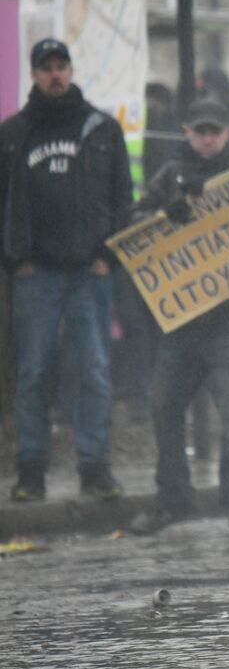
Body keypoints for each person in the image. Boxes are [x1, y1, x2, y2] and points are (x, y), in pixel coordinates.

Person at [126, 98, 229, 534]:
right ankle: (172, 500)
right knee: (163, 405)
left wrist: (208, 199)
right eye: (200, 131)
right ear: (187, 131)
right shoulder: (171, 171)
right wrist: (165, 213)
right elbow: (135, 219)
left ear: (228, 132)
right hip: (184, 318)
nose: (208, 139)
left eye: (215, 131)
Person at [0, 39, 131, 502]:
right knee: (33, 372)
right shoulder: (13, 133)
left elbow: (122, 198)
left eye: (61, 66)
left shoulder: (101, 129)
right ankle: (31, 471)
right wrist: (16, 259)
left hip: (88, 272)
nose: (55, 74)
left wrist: (108, 256)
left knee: (94, 370)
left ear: (72, 69)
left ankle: (94, 468)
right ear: (33, 75)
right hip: (36, 275)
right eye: (46, 68)